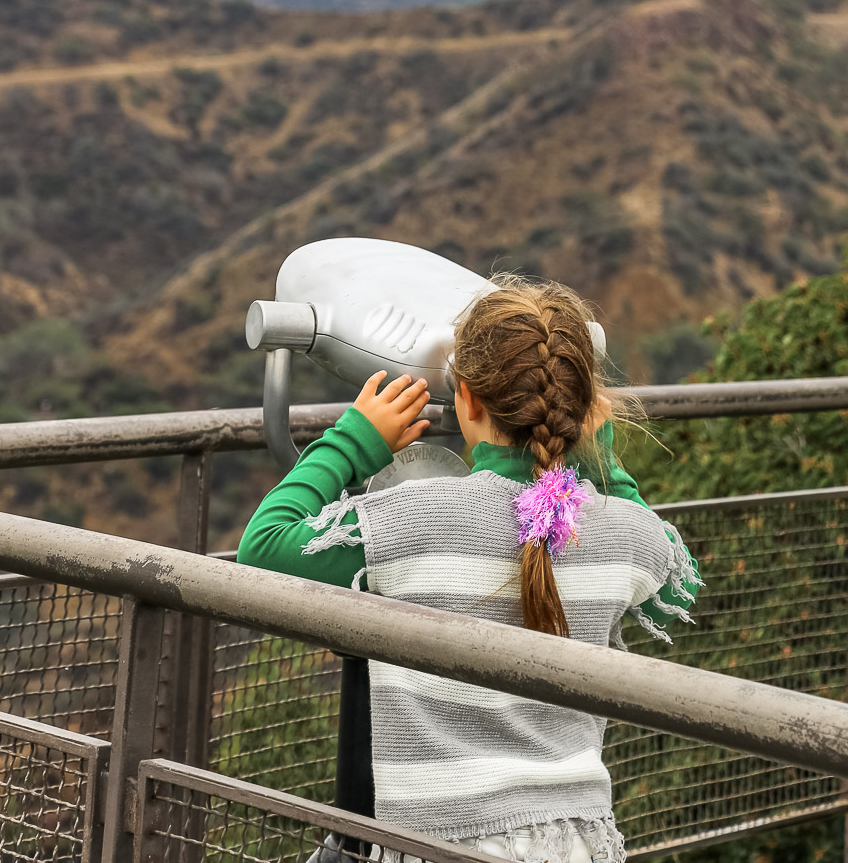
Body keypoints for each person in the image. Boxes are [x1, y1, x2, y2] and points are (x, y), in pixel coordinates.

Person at [239, 277, 700, 863]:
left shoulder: (415, 520)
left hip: (436, 840)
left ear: (467, 399)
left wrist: (352, 442)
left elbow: (264, 547)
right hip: (575, 842)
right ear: (584, 408)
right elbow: (665, 561)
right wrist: (604, 462)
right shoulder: (619, 532)